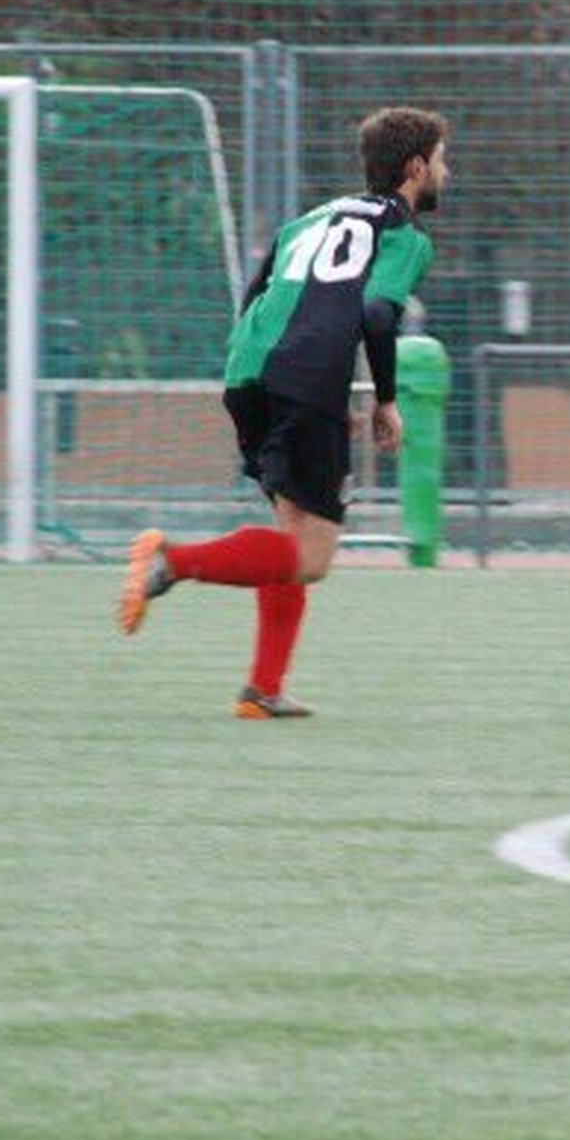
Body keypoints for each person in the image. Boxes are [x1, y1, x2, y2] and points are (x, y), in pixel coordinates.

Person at [117, 105, 451, 718]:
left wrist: (302, 381)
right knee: (311, 557)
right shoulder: (404, 236)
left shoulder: (312, 217)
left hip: (250, 367)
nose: (445, 173)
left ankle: (262, 689)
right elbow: (377, 315)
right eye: (440, 161)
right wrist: (383, 400)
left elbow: (257, 290)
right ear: (414, 167)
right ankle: (173, 561)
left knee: (290, 534)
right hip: (303, 376)